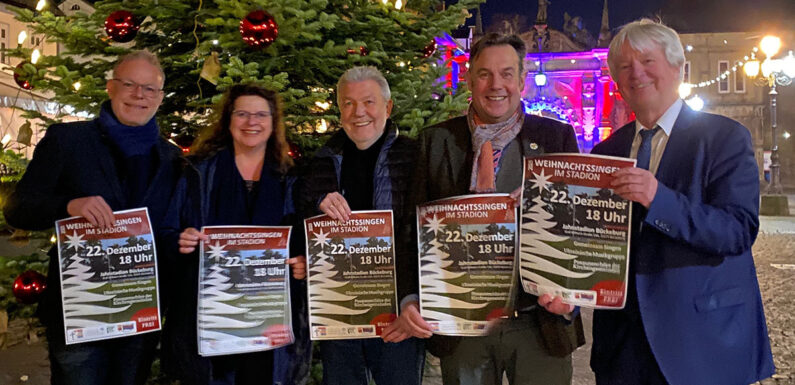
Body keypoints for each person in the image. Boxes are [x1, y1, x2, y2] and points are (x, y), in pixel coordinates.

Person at [589, 19, 775, 385]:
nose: (636, 73)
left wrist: (658, 198)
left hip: (700, 341)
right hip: (623, 349)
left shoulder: (724, 137)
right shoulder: (606, 151)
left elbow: (736, 231)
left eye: (647, 61)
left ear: (677, 68)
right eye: (624, 66)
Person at [400, 33, 584, 385]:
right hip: (462, 326)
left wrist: (572, 296)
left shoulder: (555, 138)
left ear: (522, 80)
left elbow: (575, 229)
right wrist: (410, 297)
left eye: (506, 73)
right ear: (470, 79)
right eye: (484, 74)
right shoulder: (435, 140)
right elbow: (413, 226)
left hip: (538, 324)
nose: (496, 84)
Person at [3, 51, 183, 385]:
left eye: (149, 89)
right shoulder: (67, 140)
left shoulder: (171, 157)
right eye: (129, 84)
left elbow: (173, 230)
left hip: (140, 311)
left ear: (159, 97)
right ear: (111, 87)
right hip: (81, 309)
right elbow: (18, 208)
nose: (138, 95)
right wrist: (69, 205)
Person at [158, 84, 310, 385]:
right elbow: (166, 232)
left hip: (271, 322)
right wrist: (181, 240)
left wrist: (303, 263)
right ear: (228, 120)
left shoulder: (293, 177)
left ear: (273, 122)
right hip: (210, 322)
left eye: (260, 115)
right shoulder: (197, 172)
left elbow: (304, 239)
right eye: (242, 113)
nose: (251, 122)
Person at [297, 66, 423, 385]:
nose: (359, 113)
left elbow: (428, 236)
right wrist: (315, 204)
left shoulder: (415, 157)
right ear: (340, 110)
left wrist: (414, 300)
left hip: (397, 313)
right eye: (348, 104)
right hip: (339, 314)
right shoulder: (321, 160)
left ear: (387, 106)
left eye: (368, 101)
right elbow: (297, 217)